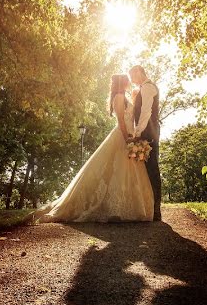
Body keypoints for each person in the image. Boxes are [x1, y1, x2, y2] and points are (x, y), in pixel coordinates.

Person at [37, 74, 153, 222]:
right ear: (123, 83)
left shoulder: (124, 96)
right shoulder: (118, 97)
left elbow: (131, 116)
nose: (130, 82)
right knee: (116, 170)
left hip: (130, 135)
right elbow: (121, 121)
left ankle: (128, 206)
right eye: (127, 80)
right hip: (122, 136)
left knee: (125, 171)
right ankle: (113, 207)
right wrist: (127, 140)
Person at [128, 65, 162, 221]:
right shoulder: (144, 88)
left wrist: (138, 132)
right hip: (148, 130)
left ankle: (156, 210)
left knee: (152, 168)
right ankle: (149, 207)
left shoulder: (148, 87)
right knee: (146, 168)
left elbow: (146, 111)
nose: (132, 81)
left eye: (133, 77)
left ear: (138, 72)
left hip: (149, 132)